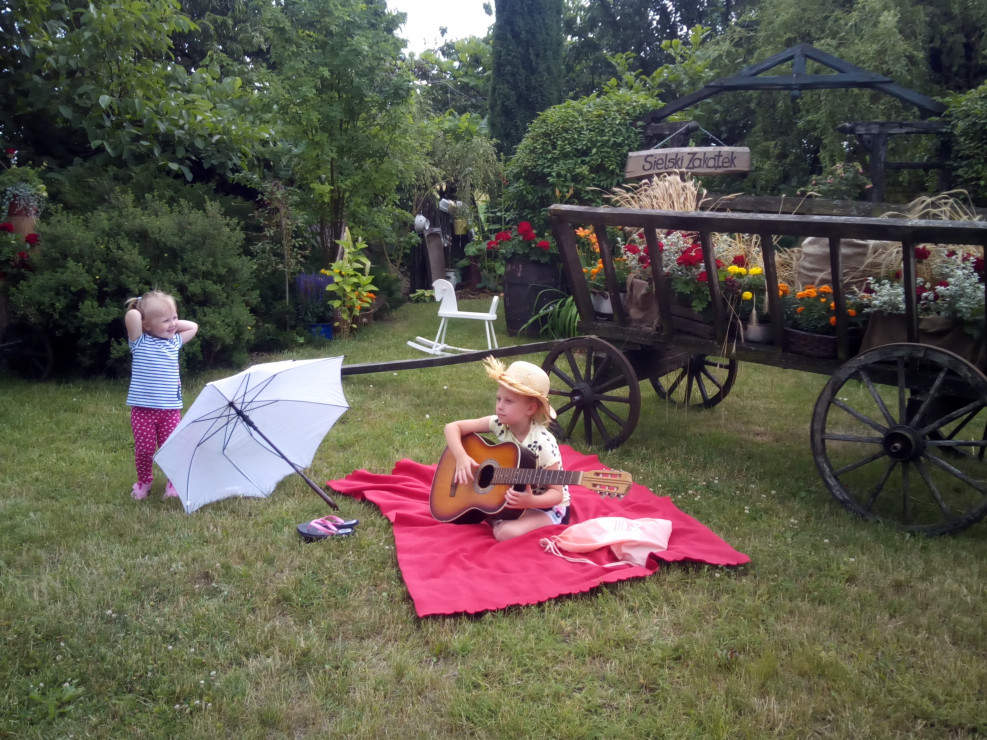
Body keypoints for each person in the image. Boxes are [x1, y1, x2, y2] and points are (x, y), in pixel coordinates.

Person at [443, 356, 569, 541]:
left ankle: (493, 517)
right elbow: (452, 427)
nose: (499, 406)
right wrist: (461, 457)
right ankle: (495, 512)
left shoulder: (543, 444)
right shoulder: (499, 423)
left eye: (508, 401)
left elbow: (557, 494)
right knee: (500, 522)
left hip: (546, 506)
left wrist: (531, 501)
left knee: (505, 533)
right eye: (498, 399)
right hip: (512, 496)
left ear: (530, 409)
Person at [124, 290, 198, 500]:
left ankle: (173, 483)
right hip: (143, 411)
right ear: (146, 325)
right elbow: (132, 317)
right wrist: (140, 307)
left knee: (172, 449)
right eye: (166, 320)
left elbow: (193, 326)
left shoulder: (174, 342)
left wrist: (169, 320)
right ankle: (144, 481)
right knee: (145, 450)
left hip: (170, 411)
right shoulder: (139, 342)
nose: (173, 324)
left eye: (175, 318)